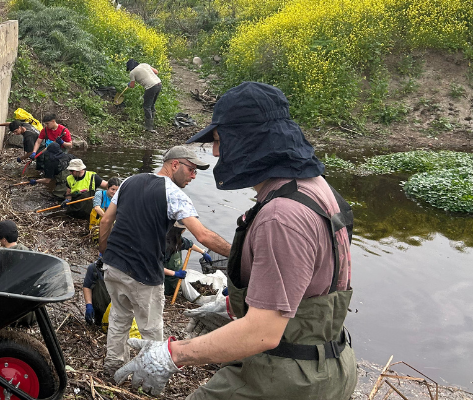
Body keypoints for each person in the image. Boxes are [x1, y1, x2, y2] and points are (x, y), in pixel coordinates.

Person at [112, 82, 356, 400]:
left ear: (249, 137)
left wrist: (174, 354)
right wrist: (230, 306)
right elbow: (309, 283)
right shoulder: (316, 188)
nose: (215, 152)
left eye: (218, 140)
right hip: (329, 361)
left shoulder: (281, 216)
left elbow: (263, 332)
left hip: (290, 376)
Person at [97, 146, 232, 375]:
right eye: (191, 169)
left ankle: (113, 365)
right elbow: (203, 235)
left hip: (113, 265)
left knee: (120, 318)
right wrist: (240, 253)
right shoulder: (175, 195)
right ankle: (151, 373)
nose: (194, 176)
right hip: (143, 274)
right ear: (175, 164)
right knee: (151, 330)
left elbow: (106, 220)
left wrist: (104, 251)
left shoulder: (130, 181)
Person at [161, 221, 212, 298]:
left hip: (177, 281)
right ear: (180, 230)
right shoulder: (164, 245)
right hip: (165, 284)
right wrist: (175, 273)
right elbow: (156, 268)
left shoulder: (177, 239)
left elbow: (189, 244)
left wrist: (203, 252)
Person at [126, 59, 161, 132]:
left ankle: (149, 127)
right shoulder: (144, 64)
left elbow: (132, 86)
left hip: (151, 87)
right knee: (152, 105)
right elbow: (156, 72)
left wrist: (129, 84)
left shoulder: (132, 72)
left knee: (146, 106)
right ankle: (152, 123)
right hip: (158, 84)